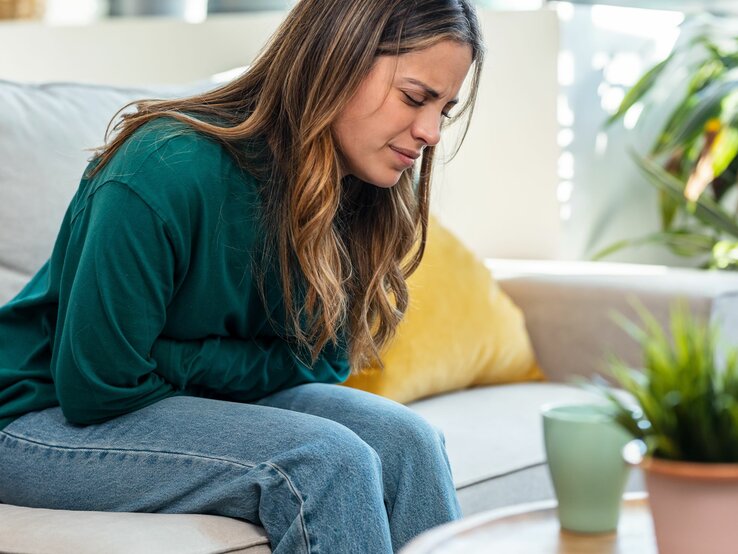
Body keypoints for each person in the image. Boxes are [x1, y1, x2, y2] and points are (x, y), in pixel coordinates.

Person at [0, 0, 483, 552]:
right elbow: (98, 386)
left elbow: (326, 360)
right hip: (33, 418)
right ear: (334, 60)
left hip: (159, 394)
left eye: (443, 110)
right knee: (326, 460)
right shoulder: (163, 167)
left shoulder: (357, 188)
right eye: (415, 97)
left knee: (409, 441)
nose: (429, 133)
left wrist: (174, 356)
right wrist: (213, 364)